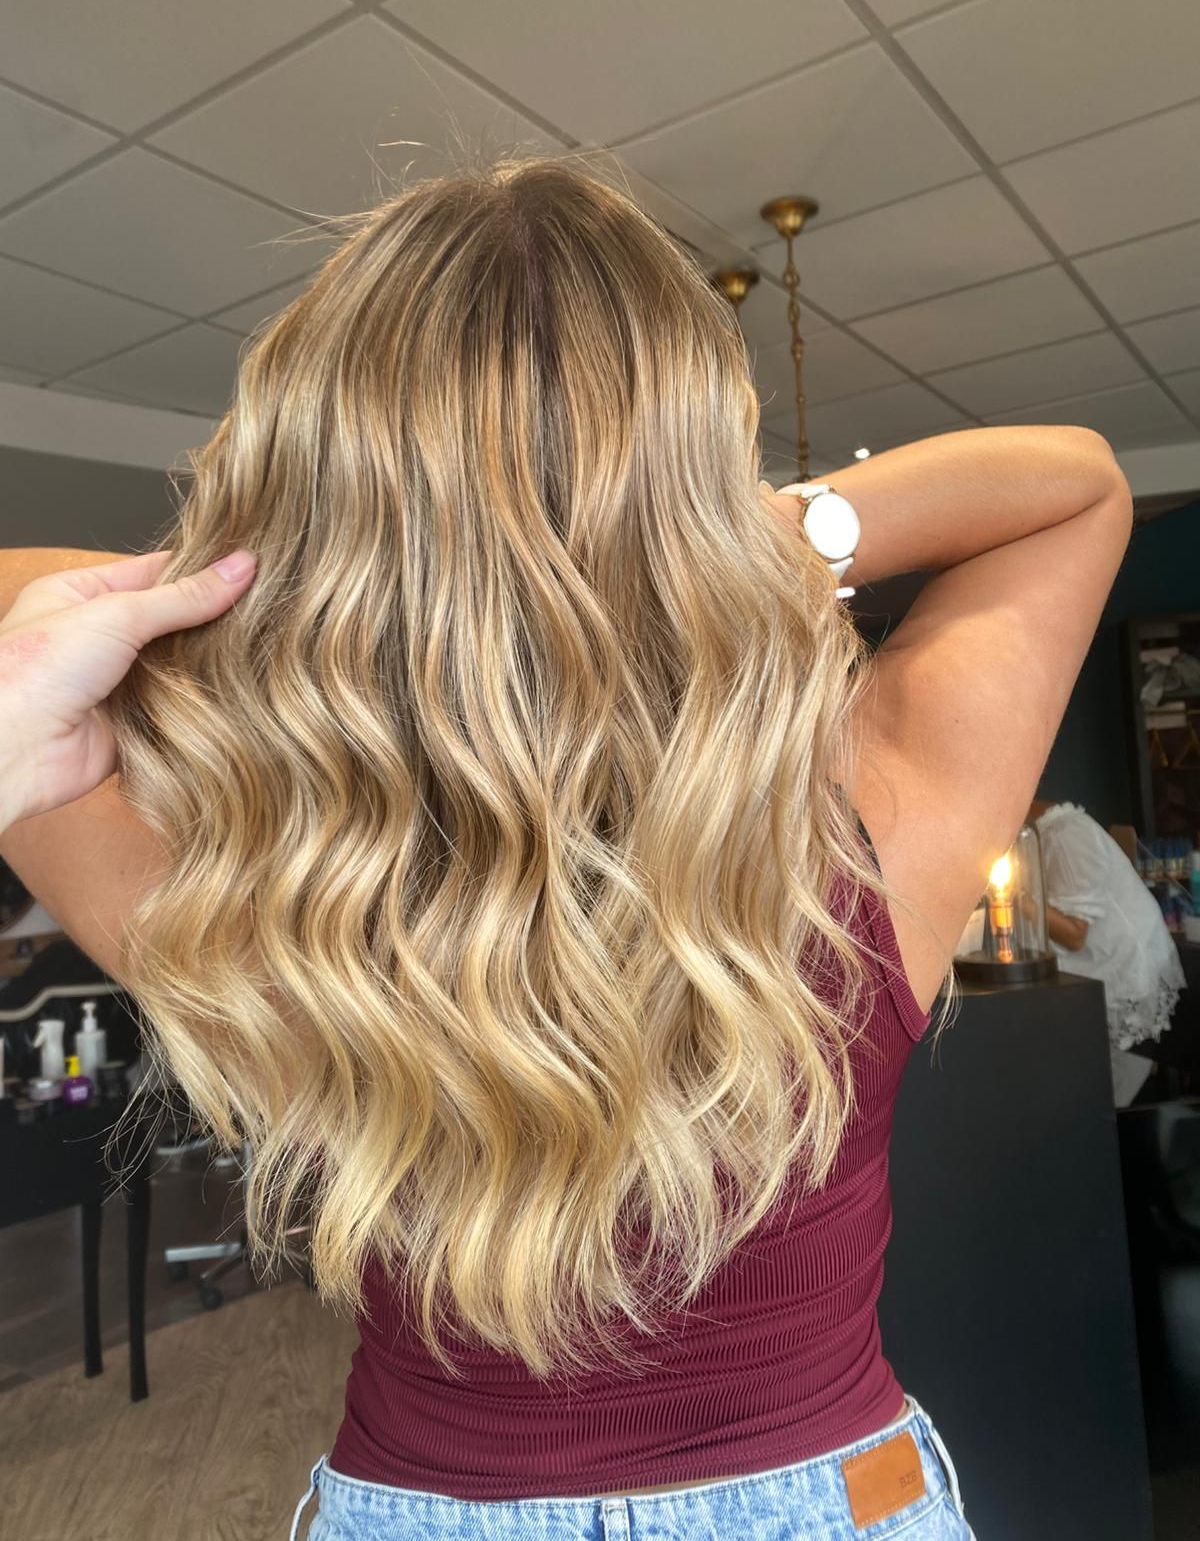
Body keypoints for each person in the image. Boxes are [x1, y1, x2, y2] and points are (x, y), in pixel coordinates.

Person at [0, 155, 1132, 1541]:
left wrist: (320, 564)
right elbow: (1076, 484)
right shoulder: (870, 832)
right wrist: (738, 536)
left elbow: (16, 608)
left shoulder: (266, 904)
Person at [1029, 797, 1186, 1106]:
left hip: (1125, 986)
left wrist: (1016, 900)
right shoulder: (1037, 838)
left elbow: (1075, 934)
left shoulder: (1067, 835)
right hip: (1091, 984)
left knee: (1100, 1104)